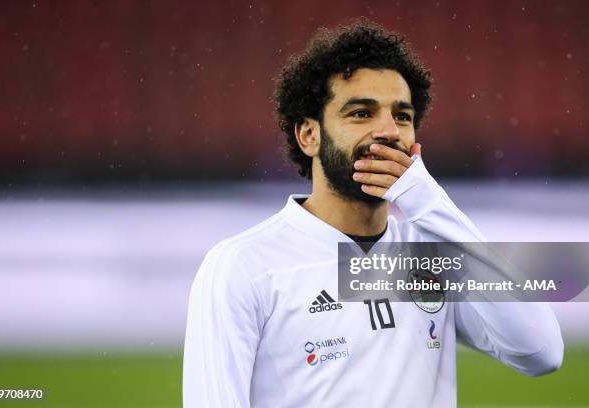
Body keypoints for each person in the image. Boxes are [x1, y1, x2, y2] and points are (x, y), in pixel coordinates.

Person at [183, 20, 563, 407]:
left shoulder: (432, 252)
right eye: (362, 113)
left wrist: (430, 203)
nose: (389, 131)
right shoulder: (243, 266)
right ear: (308, 135)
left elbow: (542, 351)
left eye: (402, 116)